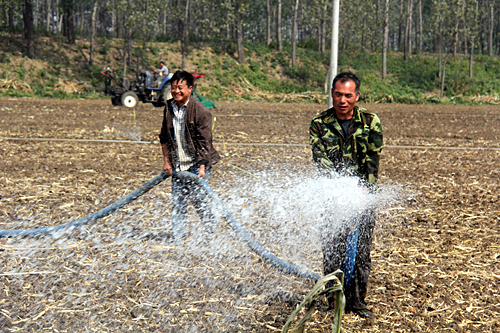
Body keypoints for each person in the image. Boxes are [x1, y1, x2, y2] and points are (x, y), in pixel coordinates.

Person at [309, 72, 383, 318]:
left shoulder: (371, 122)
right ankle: (333, 299)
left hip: (363, 196)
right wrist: (339, 191)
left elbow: (372, 161)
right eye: (338, 94)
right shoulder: (319, 123)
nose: (342, 100)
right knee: (333, 249)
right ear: (332, 94)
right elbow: (321, 161)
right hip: (332, 197)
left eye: (348, 95)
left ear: (357, 96)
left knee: (361, 252)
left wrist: (364, 191)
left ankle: (357, 301)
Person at [159, 70, 221, 242]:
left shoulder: (201, 111)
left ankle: (211, 233)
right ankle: (179, 238)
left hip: (197, 162)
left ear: (190, 89)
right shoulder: (169, 107)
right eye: (173, 87)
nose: (176, 91)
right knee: (178, 201)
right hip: (178, 163)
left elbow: (205, 142)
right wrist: (167, 162)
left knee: (199, 199)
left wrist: (202, 167)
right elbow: (164, 136)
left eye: (180, 88)